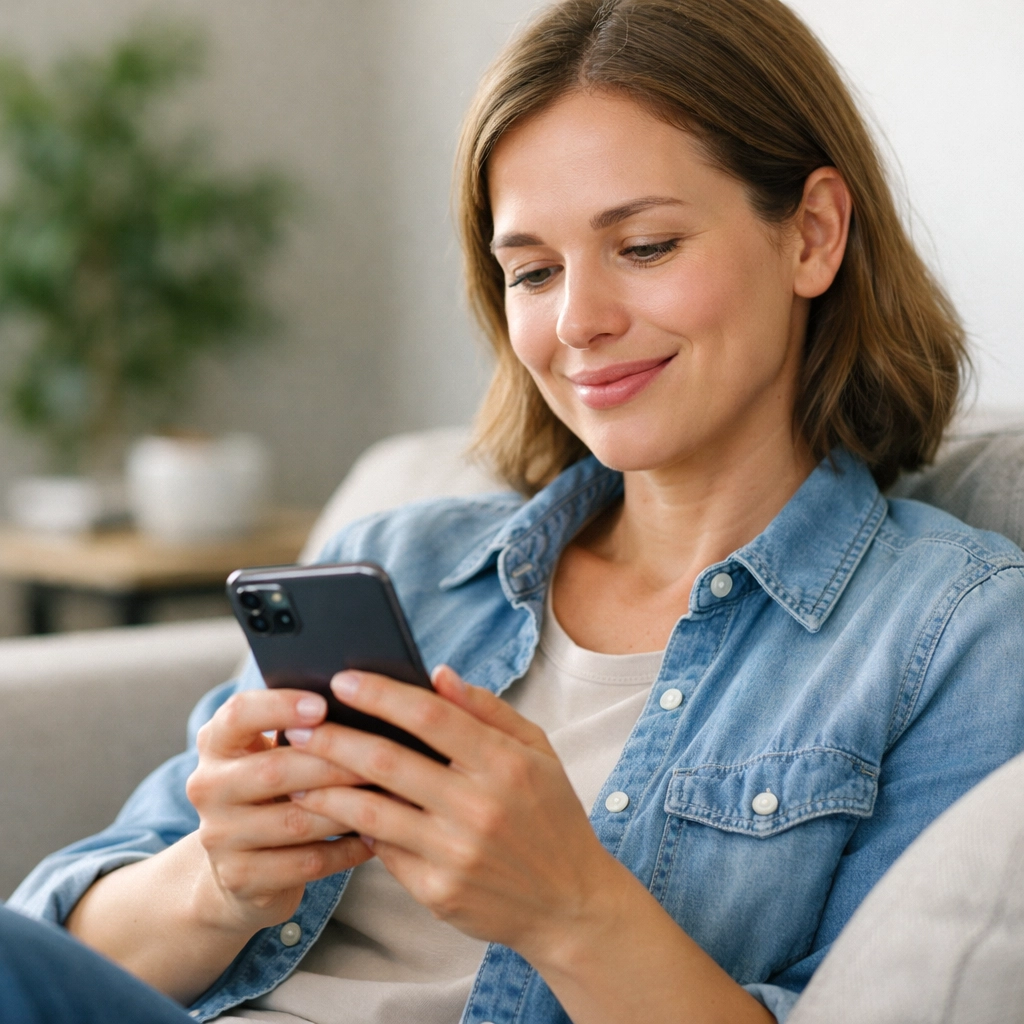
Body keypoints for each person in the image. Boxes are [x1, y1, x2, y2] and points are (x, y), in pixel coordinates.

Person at [9, 1, 1024, 1022]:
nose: (578, 322)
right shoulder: (400, 560)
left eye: (646, 245)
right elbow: (53, 955)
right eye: (533, 271)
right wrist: (218, 880)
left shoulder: (952, 633)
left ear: (811, 234)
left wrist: (569, 905)